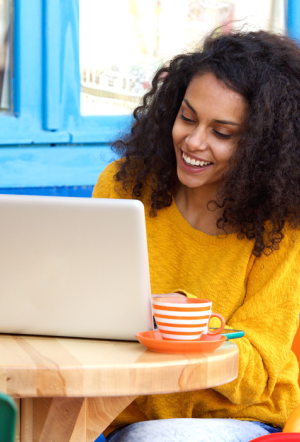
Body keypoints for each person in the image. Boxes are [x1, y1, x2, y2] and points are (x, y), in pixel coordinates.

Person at [92, 29, 300, 442]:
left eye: (222, 133)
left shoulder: (281, 224)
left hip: (239, 419)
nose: (194, 141)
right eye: (187, 117)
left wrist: (187, 325)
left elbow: (256, 373)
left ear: (263, 146)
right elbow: (90, 311)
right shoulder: (123, 186)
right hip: (118, 413)